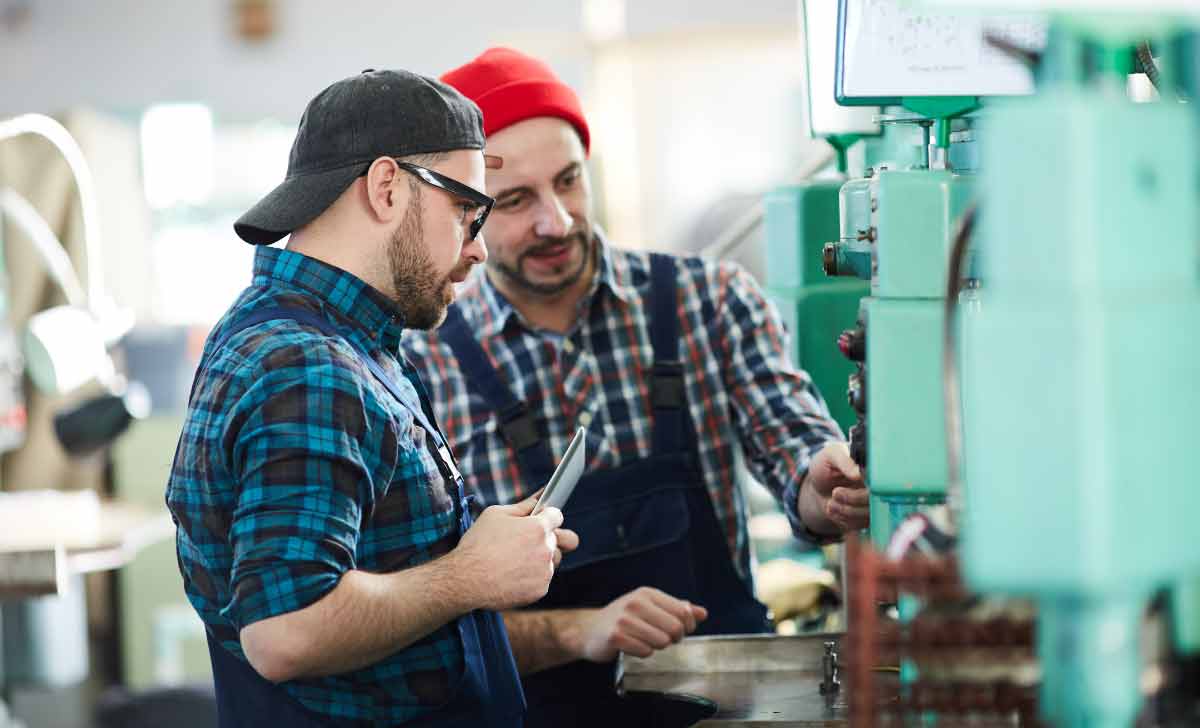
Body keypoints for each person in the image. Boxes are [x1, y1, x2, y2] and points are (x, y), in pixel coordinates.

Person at [401, 48, 870, 727]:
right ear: (462, 211)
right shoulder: (424, 369)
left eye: (568, 182)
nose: (555, 222)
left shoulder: (706, 301)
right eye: (514, 201)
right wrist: (581, 627)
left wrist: (822, 485)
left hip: (724, 705)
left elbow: (794, 445)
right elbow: (435, 624)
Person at [166, 68, 578, 728]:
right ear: (386, 188)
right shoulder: (307, 367)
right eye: (467, 212)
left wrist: (488, 548)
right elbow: (284, 632)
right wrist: (468, 576)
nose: (477, 249)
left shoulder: (340, 340)